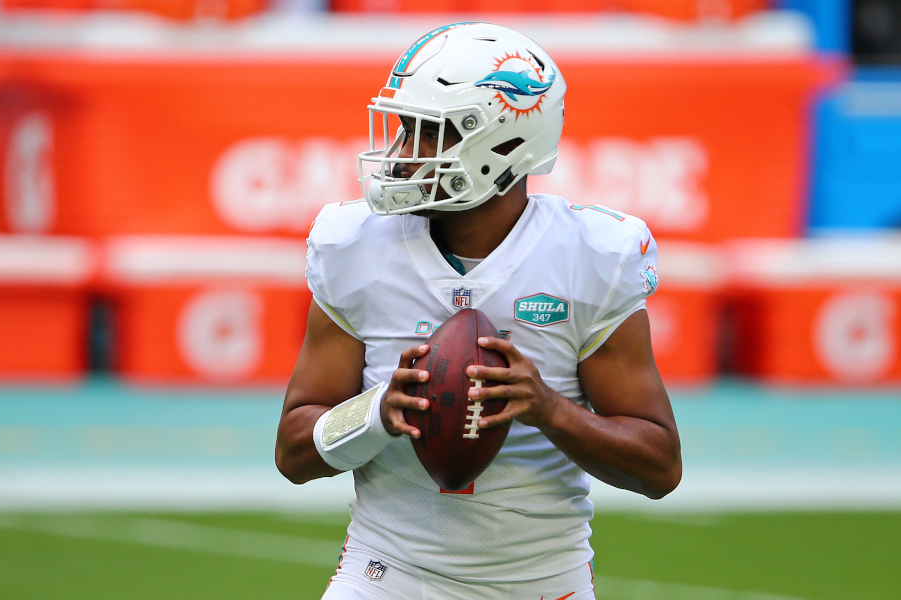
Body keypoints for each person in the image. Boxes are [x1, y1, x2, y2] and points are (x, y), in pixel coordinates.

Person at [276, 22, 681, 600]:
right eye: (403, 128)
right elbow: (292, 451)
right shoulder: (355, 246)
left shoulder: (591, 256)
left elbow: (659, 468)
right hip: (385, 577)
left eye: (426, 132)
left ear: (503, 144)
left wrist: (548, 409)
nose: (400, 152)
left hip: (541, 584)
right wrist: (375, 413)